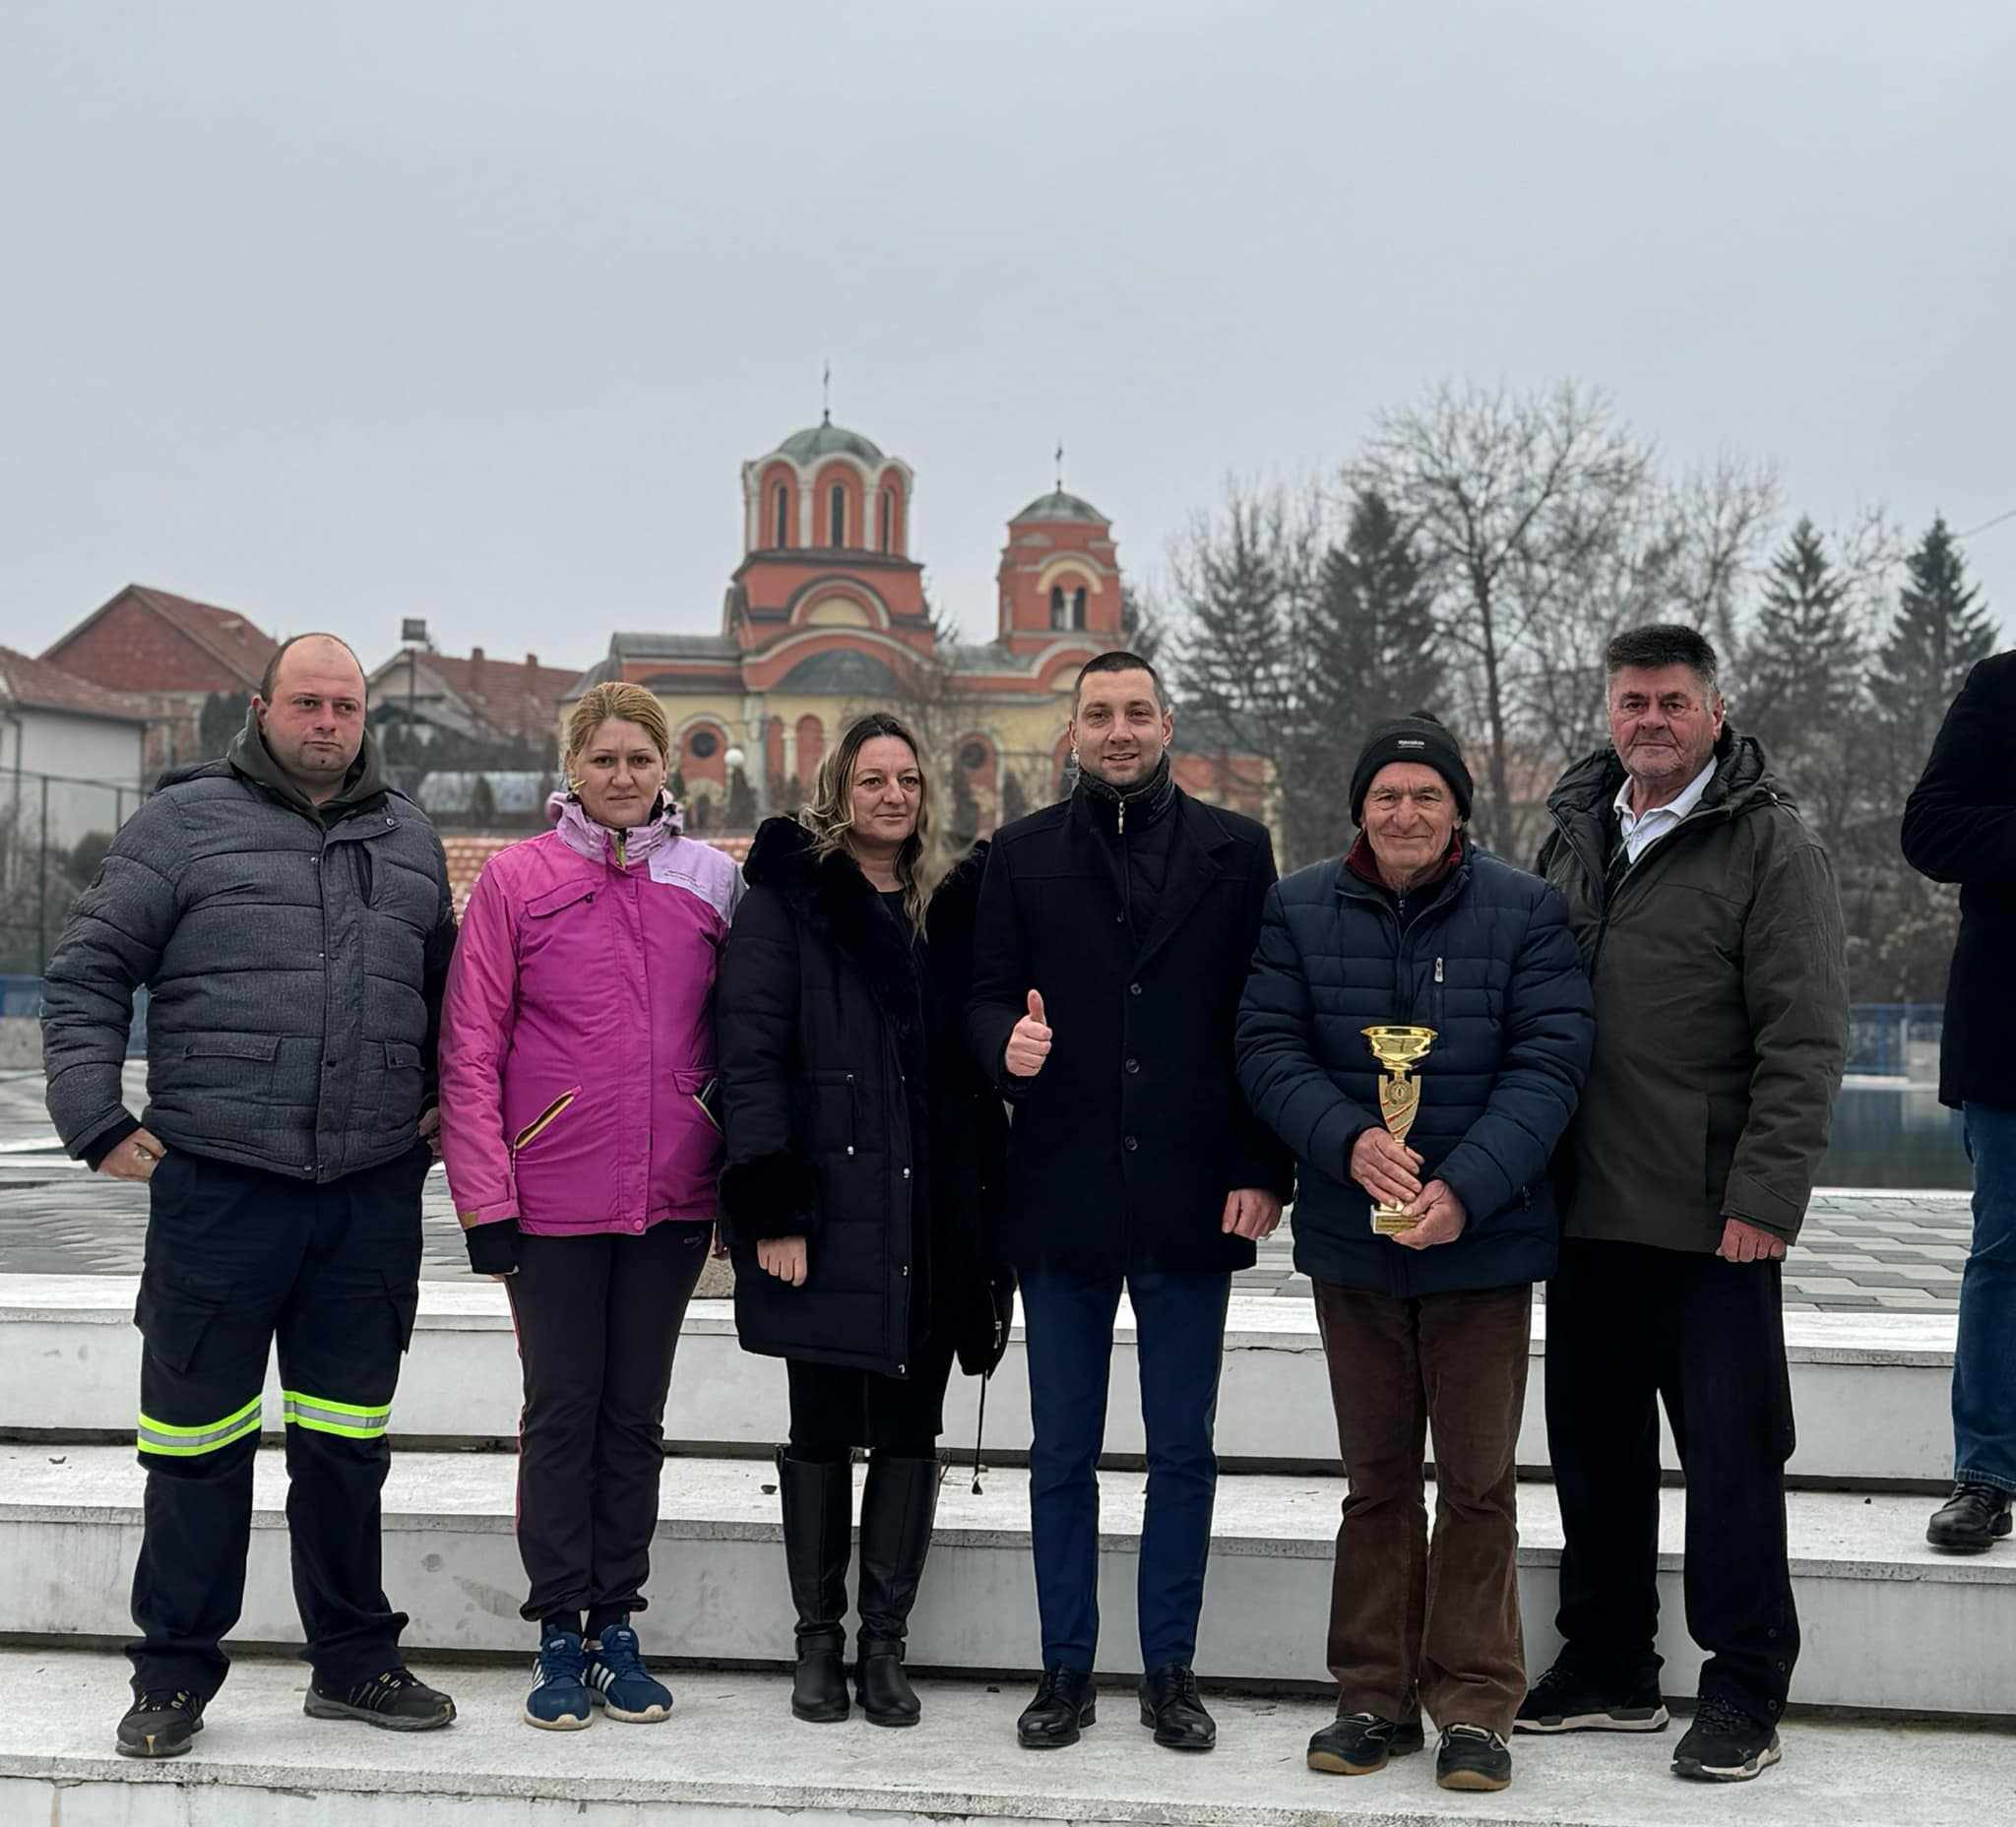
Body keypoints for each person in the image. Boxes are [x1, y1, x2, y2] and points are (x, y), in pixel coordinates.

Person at [41, 635, 459, 1758]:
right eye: (308, 701)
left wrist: (438, 1097)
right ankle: (173, 1673)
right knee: (194, 1441)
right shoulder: (180, 826)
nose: (328, 720)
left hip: (367, 1195)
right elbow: (87, 970)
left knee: (345, 1440)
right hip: (220, 1191)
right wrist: (96, 1118)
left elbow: (450, 993)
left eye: (346, 704)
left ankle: (355, 1660)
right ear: (262, 706)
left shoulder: (409, 837)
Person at [1236, 714, 1593, 1795]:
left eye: (1424, 796)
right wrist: (1347, 1142)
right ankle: (1370, 1693)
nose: (1403, 813)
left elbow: (1550, 1061)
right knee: (1375, 1477)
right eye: (1385, 794)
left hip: (1480, 1246)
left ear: (1457, 810)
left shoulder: (1526, 911)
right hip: (1353, 1240)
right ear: (1358, 807)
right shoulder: (1296, 905)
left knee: (1478, 1481)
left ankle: (1477, 1705)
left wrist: (1464, 1188)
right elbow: (1263, 1042)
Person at [1529, 623, 1848, 1784]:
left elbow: (1803, 1038)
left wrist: (1763, 1195)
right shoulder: (1573, 834)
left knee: (1729, 1458)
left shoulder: (1767, 844)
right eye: (1629, 701)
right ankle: (1609, 1660)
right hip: (1583, 1214)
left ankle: (1745, 1683)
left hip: (1712, 1219)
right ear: (1605, 711)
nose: (1648, 720)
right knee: (1593, 1455)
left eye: (1670, 701)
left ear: (1712, 711)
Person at [968, 651, 1294, 1754]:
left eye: (1136, 712)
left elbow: (1264, 1020)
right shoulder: (1015, 855)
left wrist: (1262, 1166)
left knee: (1181, 1450)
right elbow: (974, 996)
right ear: (1069, 731)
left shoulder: (1234, 851)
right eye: (1098, 713)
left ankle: (1168, 1668)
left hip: (1192, 1195)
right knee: (1059, 1449)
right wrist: (999, 1047)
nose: (1118, 730)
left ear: (1167, 724)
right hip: (1058, 1196)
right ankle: (1064, 1668)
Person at [438, 681, 742, 1730]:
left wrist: (737, 1176)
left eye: (640, 758)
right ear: (570, 768)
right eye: (602, 758)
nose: (622, 776)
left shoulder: (712, 882)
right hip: (549, 1195)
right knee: (561, 1409)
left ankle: (617, 1620)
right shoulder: (519, 881)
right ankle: (556, 1627)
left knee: (634, 1413)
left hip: (668, 1197)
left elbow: (748, 1035)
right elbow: (469, 1049)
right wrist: (486, 1198)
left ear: (668, 768)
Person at [716, 713, 1013, 1730]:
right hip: (832, 1214)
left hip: (928, 1217)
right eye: (871, 778)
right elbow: (749, 1061)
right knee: (819, 1428)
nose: (891, 795)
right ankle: (817, 1640)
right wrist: (774, 1209)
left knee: (907, 1429)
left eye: (906, 779)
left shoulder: (947, 906)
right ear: (837, 789)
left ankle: (884, 1641)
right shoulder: (786, 904)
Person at [1902, 653, 2016, 1553]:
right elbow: (1928, 830)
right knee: (2006, 1258)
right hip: (2013, 1039)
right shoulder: (2002, 686)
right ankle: (1985, 1474)